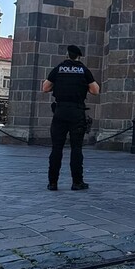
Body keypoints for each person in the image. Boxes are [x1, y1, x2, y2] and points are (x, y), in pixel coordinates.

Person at [42, 45, 99, 191]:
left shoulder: (59, 68)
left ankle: (53, 182)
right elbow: (95, 90)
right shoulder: (83, 70)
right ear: (78, 56)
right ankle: (77, 182)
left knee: (56, 148)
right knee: (76, 148)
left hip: (60, 112)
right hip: (76, 112)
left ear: (67, 55)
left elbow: (45, 87)